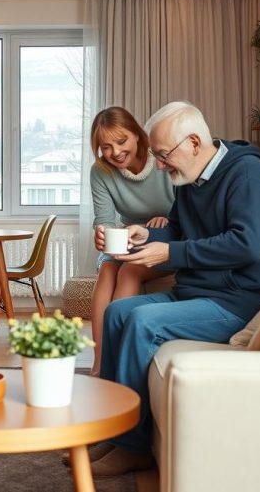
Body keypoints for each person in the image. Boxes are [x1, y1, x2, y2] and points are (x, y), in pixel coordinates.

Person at [89, 101, 260, 478]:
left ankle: (133, 446)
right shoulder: (190, 180)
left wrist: (170, 251)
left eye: (164, 156)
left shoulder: (246, 176)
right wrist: (147, 234)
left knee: (141, 322)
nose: (161, 166)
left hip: (236, 300)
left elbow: (245, 244)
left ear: (195, 143)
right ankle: (114, 427)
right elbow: (179, 231)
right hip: (201, 292)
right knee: (118, 312)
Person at [88, 107, 175, 374]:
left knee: (128, 272)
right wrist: (102, 233)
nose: (115, 152)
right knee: (106, 271)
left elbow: (190, 212)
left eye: (121, 141)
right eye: (106, 147)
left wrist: (167, 220)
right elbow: (103, 218)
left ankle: (117, 361)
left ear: (137, 135)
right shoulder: (100, 171)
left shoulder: (163, 162)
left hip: (169, 238)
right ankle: (100, 361)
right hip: (128, 238)